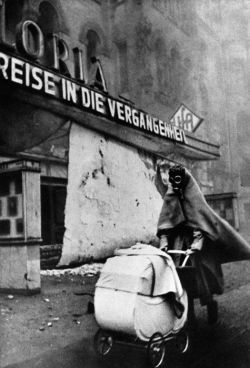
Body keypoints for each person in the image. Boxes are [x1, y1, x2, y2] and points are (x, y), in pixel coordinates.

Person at [155, 162, 250, 324]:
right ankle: (189, 314)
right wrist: (164, 241)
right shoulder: (172, 195)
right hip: (178, 244)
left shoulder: (192, 195)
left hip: (197, 245)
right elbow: (166, 219)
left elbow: (199, 218)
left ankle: (211, 304)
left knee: (201, 279)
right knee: (180, 279)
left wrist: (197, 242)